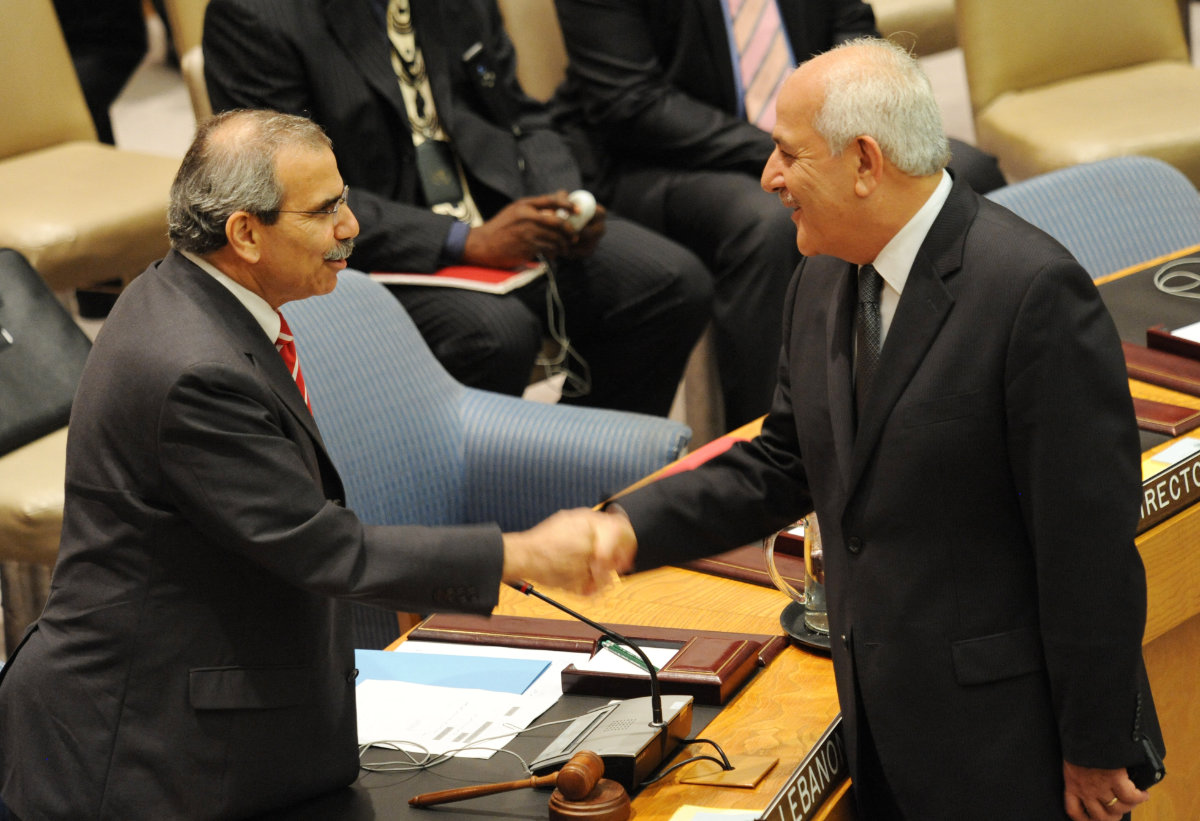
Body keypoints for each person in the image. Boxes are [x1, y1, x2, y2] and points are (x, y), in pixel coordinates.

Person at [0, 109, 634, 820]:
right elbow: (322, 547)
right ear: (245, 232)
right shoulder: (193, 370)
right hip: (145, 757)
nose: (351, 226)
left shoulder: (191, 297)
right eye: (325, 209)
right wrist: (523, 553)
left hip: (233, 716)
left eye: (345, 199)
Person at [600, 38, 1163, 821]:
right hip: (883, 729)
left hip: (1014, 749)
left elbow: (1088, 548)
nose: (768, 177)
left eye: (789, 153)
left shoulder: (1033, 293)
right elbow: (784, 462)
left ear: (865, 161)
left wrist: (1097, 740)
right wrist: (625, 528)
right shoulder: (819, 274)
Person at [202, 0, 712, 417]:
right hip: (363, 249)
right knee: (494, 334)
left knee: (670, 282)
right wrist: (463, 242)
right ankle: (463, 499)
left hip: (490, 207)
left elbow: (521, 114)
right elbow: (285, 198)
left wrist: (565, 200)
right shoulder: (253, 15)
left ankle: (581, 474)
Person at [550, 0, 1007, 428]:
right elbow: (632, 102)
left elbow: (856, 39)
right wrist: (797, 154)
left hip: (817, 136)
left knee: (964, 171)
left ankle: (958, 392)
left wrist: (830, 144)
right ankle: (774, 434)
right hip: (656, 159)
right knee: (767, 225)